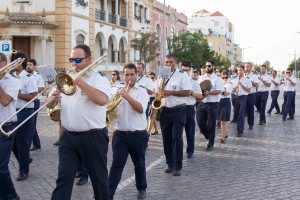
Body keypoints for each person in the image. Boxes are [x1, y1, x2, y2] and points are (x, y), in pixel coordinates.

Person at [48, 44, 111, 200]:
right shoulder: (64, 78)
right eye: (71, 59)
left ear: (89, 59)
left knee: (99, 181)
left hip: (93, 137)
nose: (74, 63)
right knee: (63, 179)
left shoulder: (99, 78)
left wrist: (79, 81)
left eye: (77, 59)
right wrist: (52, 99)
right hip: (69, 138)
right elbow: (49, 105)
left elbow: (101, 100)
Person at [108, 63, 149, 200]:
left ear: (136, 75)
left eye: (132, 74)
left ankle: (141, 188)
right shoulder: (116, 90)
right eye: (127, 75)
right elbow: (110, 111)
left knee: (139, 164)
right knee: (116, 165)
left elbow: (140, 109)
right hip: (120, 134)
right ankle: (108, 194)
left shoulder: (141, 91)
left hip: (138, 135)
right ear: (123, 75)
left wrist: (127, 97)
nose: (129, 77)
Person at [158, 54, 192, 176]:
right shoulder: (162, 73)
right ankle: (169, 164)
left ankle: (178, 166)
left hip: (179, 110)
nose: (168, 64)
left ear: (176, 63)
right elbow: (158, 90)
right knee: (166, 138)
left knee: (176, 137)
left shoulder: (182, 75)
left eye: (171, 62)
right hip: (165, 109)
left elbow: (187, 92)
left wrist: (170, 93)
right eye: (166, 62)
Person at [12, 51, 38, 181]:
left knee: (22, 142)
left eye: (14, 61)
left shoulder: (29, 78)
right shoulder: (11, 77)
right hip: (13, 112)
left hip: (25, 112)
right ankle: (25, 160)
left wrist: (16, 94)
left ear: (19, 63)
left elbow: (34, 97)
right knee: (12, 142)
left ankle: (24, 171)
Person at [0, 52, 21, 200]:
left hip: (5, 128)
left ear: (3, 63)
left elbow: (6, 101)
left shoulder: (12, 81)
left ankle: (12, 196)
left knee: (1, 167)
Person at [196, 60, 223, 151]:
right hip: (202, 102)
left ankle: (210, 143)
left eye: (209, 66)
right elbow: (198, 88)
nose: (207, 67)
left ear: (213, 66)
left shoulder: (217, 78)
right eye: (206, 66)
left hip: (213, 104)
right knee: (200, 122)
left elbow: (219, 91)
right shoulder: (201, 77)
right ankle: (209, 136)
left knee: (211, 124)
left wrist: (209, 92)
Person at [181, 61, 202, 158]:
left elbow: (200, 96)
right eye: (183, 70)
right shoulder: (178, 80)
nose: (184, 72)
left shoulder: (193, 82)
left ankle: (190, 150)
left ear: (190, 70)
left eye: (186, 70)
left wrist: (191, 92)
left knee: (190, 131)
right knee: (177, 132)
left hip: (189, 108)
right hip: (179, 108)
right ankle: (178, 150)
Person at [26, 58, 45, 151]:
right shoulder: (25, 76)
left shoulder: (38, 76)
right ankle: (37, 144)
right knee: (31, 124)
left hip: (35, 101)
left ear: (34, 66)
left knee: (32, 125)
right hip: (28, 101)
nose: (28, 66)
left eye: (30, 65)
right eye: (27, 65)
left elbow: (41, 88)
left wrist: (31, 90)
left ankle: (27, 145)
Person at [232, 65, 251, 137]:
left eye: (241, 70)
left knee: (241, 114)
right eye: (238, 70)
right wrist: (235, 87)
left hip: (243, 97)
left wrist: (242, 85)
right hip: (236, 97)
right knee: (236, 113)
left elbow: (249, 90)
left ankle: (240, 130)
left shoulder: (247, 80)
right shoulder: (234, 79)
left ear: (243, 71)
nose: (239, 72)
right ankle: (239, 128)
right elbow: (232, 90)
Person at [218, 70, 233, 143]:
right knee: (222, 120)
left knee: (223, 121)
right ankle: (225, 133)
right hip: (219, 102)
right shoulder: (219, 83)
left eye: (226, 77)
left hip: (226, 102)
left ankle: (222, 137)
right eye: (223, 77)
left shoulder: (229, 84)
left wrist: (219, 91)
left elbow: (226, 93)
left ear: (228, 76)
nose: (224, 78)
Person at [245, 63, 259, 130]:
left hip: (251, 94)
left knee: (250, 110)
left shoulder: (254, 76)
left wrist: (250, 81)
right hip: (244, 95)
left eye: (248, 66)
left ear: (251, 68)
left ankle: (251, 124)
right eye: (245, 66)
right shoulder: (243, 75)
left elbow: (256, 85)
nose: (246, 68)